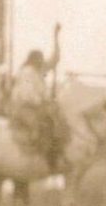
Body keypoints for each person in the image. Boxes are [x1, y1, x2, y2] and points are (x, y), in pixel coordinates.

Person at [6, 24, 69, 172]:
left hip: (35, 105)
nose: (43, 61)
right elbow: (28, 95)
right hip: (24, 107)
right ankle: (38, 157)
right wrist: (45, 102)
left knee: (58, 120)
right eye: (40, 59)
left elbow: (54, 60)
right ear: (34, 60)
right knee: (44, 125)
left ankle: (52, 157)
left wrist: (56, 37)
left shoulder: (38, 70)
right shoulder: (27, 72)